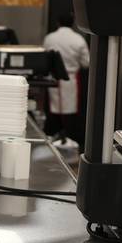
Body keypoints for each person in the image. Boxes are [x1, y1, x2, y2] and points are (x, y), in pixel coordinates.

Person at [42, 12, 90, 149]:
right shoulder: (78, 39)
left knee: (52, 111)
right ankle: (70, 140)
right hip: (71, 79)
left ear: (58, 22)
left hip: (53, 79)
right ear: (73, 23)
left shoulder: (49, 38)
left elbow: (44, 58)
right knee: (71, 112)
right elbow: (86, 63)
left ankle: (52, 139)